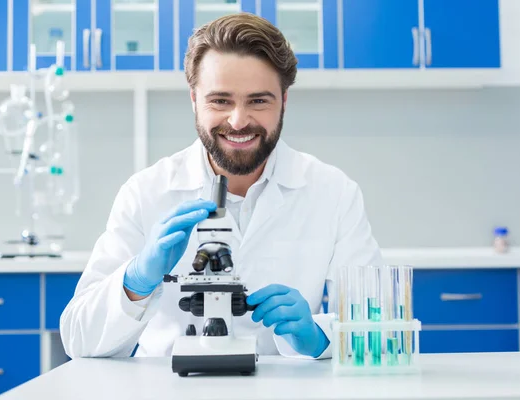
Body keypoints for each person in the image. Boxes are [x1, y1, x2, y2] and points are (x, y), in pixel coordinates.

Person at [60, 12, 382, 360]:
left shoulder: (332, 193)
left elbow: (378, 324)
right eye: (220, 100)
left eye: (258, 100)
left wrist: (320, 336)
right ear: (194, 100)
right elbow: (78, 341)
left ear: (284, 100)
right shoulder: (145, 193)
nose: (239, 120)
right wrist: (135, 281)